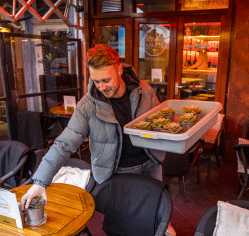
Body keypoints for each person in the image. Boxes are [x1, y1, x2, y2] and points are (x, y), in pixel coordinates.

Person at [20, 44, 174, 235]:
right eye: (96, 81)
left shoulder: (144, 90)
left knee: (156, 214)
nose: (101, 87)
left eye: (106, 79)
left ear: (119, 69)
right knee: (124, 225)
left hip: (151, 163)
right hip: (118, 173)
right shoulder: (87, 105)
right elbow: (64, 144)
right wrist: (40, 182)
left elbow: (159, 121)